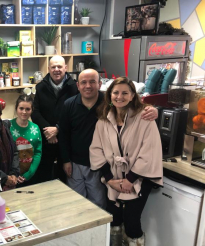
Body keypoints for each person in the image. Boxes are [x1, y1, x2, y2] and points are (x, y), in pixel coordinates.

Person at [90, 77, 163, 246]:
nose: (119, 96)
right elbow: (95, 150)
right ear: (109, 96)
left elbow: (148, 152)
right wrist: (109, 179)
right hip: (113, 178)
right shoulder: (103, 120)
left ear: (132, 96)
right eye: (115, 93)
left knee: (132, 221)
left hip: (139, 178)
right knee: (114, 214)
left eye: (124, 93)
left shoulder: (145, 118)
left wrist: (130, 179)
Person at [59, 69, 158, 209]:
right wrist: (65, 160)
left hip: (102, 165)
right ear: (78, 85)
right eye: (84, 82)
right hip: (75, 164)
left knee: (98, 204)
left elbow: (131, 105)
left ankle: (99, 231)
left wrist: (152, 109)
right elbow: (63, 134)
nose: (88, 86)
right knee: (75, 204)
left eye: (92, 82)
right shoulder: (69, 105)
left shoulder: (108, 103)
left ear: (99, 84)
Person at [31, 55, 78, 183]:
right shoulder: (41, 87)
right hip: (46, 139)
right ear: (48, 69)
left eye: (59, 66)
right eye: (53, 67)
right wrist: (48, 131)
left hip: (67, 139)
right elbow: (35, 112)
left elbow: (76, 114)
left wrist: (57, 129)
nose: (56, 69)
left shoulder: (74, 87)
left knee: (66, 175)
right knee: (43, 175)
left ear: (65, 68)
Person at [10, 94, 42, 187]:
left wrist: (29, 174)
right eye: (21, 108)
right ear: (16, 108)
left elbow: (37, 153)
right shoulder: (8, 127)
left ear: (32, 110)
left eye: (27, 109)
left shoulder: (35, 129)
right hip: (11, 177)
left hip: (30, 176)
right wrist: (12, 174)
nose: (24, 112)